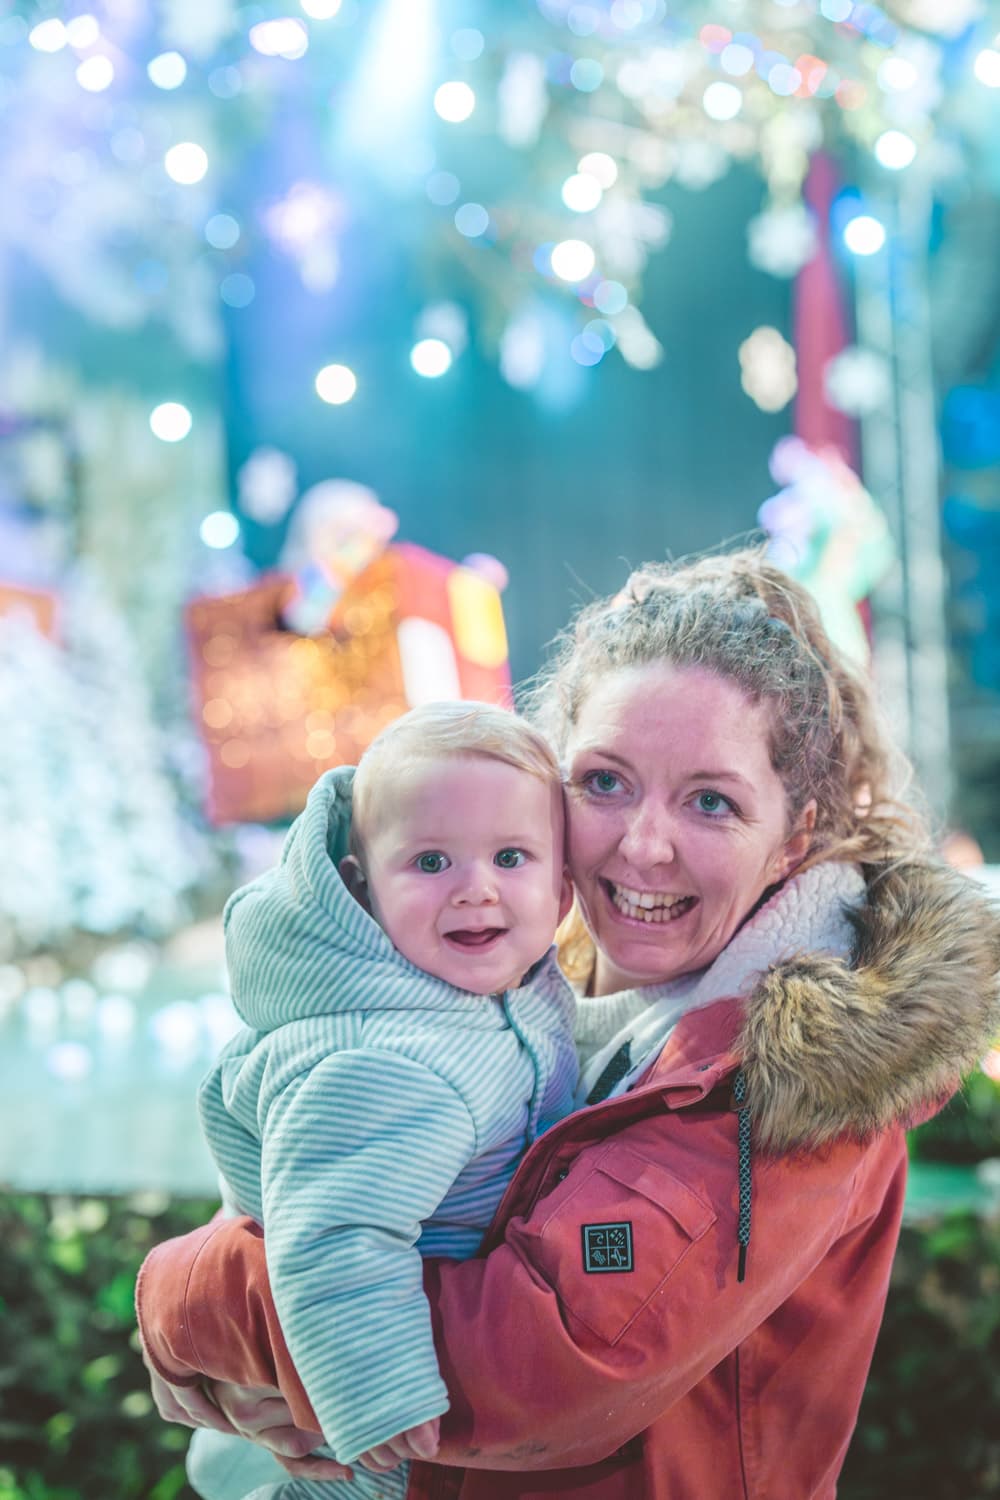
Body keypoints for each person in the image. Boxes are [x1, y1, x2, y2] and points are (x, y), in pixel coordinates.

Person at [137, 550, 1000, 1500]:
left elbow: (531, 1373)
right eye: (606, 783)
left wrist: (189, 1302)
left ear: (793, 838)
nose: (643, 843)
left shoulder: (799, 1068)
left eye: (710, 801)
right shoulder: (524, 993)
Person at [192, 701, 577, 1495]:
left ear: (563, 889)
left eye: (512, 857)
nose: (476, 891)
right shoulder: (386, 1064)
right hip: (360, 1429)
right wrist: (378, 1391)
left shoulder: (515, 991)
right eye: (431, 863)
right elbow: (331, 1231)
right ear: (359, 889)